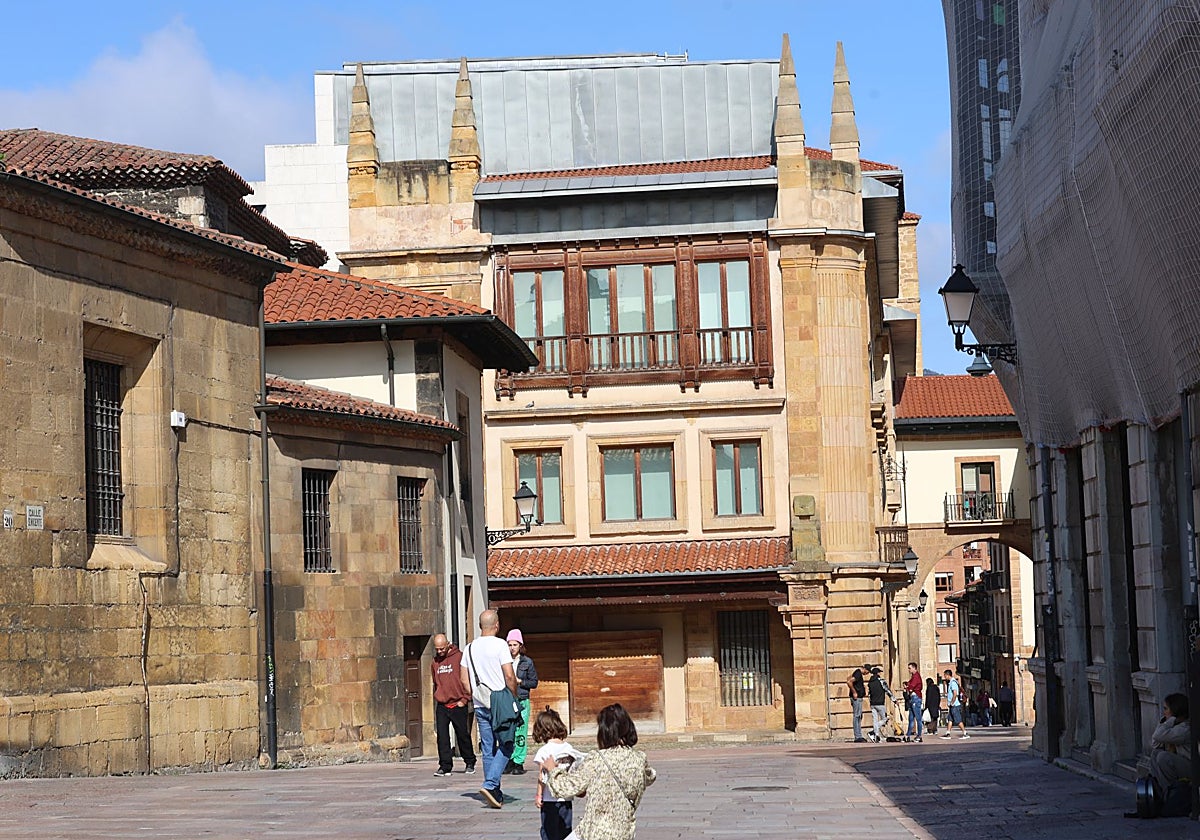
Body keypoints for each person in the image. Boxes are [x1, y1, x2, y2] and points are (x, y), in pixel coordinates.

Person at [545, 703, 656, 840]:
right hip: (625, 833)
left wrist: (553, 770)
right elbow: (650, 776)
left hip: (594, 833)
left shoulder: (596, 759)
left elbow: (566, 788)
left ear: (604, 731)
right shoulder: (639, 759)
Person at [460, 609, 519, 809]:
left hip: (480, 703)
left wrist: (475, 696)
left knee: (487, 748)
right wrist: (513, 697)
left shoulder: (468, 648)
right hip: (500, 702)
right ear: (497, 625)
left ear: (479, 626)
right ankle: (491, 784)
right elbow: (509, 676)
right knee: (507, 744)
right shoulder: (500, 645)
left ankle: (495, 791)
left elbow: (464, 681)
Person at [533, 708, 583, 840]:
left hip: (550, 799)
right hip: (566, 799)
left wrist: (539, 795)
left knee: (549, 832)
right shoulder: (569, 748)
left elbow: (542, 776)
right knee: (565, 831)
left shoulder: (544, 750)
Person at [430, 633, 476, 777]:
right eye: (437, 649)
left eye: (442, 649)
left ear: (448, 644)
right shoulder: (435, 662)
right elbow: (435, 681)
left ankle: (469, 761)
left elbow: (467, 678)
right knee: (442, 736)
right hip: (443, 704)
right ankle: (445, 766)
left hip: (458, 702)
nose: (440, 652)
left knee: (462, 734)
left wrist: (465, 699)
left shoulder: (459, 657)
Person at [505, 629, 539, 775]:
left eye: (514, 644)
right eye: (509, 645)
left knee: (521, 732)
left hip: (522, 699)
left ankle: (519, 761)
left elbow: (534, 682)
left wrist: (520, 682)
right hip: (506, 700)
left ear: (520, 645)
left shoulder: (527, 662)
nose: (512, 648)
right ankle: (508, 760)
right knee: (507, 731)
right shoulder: (503, 660)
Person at [1149, 693, 1191, 792]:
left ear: (1174, 711)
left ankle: (1170, 792)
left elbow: (1157, 735)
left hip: (1192, 766)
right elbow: (1155, 743)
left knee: (1164, 757)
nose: (1164, 712)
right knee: (1155, 753)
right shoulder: (1174, 725)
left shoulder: (1184, 729)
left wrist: (1169, 721)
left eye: (1166, 709)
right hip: (1181, 762)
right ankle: (1161, 791)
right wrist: (1167, 721)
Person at [867, 666, 896, 743]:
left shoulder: (870, 682)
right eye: (879, 672)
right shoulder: (881, 681)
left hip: (872, 703)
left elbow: (869, 694)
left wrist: (871, 701)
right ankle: (873, 731)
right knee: (884, 719)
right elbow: (887, 691)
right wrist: (894, 700)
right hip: (880, 703)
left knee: (875, 719)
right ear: (877, 673)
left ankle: (876, 735)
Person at [940, 668, 969, 739]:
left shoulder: (953, 682)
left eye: (945, 675)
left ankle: (965, 733)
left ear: (947, 675)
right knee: (950, 719)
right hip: (952, 705)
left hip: (955, 705)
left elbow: (955, 693)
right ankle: (948, 733)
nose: (944, 677)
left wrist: (952, 702)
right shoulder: (950, 682)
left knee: (958, 720)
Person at [846, 665, 868, 742]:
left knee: (859, 716)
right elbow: (849, 681)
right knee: (857, 716)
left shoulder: (857, 673)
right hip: (857, 698)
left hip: (858, 698)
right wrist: (854, 692)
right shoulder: (858, 673)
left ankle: (859, 735)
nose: (867, 673)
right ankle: (857, 736)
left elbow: (848, 678)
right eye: (867, 672)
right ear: (864, 669)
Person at [903, 662, 924, 742]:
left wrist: (907, 687)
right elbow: (909, 684)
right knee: (911, 718)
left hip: (916, 698)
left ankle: (919, 736)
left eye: (910, 668)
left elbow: (911, 686)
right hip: (913, 698)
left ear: (914, 668)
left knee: (918, 718)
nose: (908, 670)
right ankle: (908, 735)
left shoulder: (916, 677)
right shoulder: (913, 676)